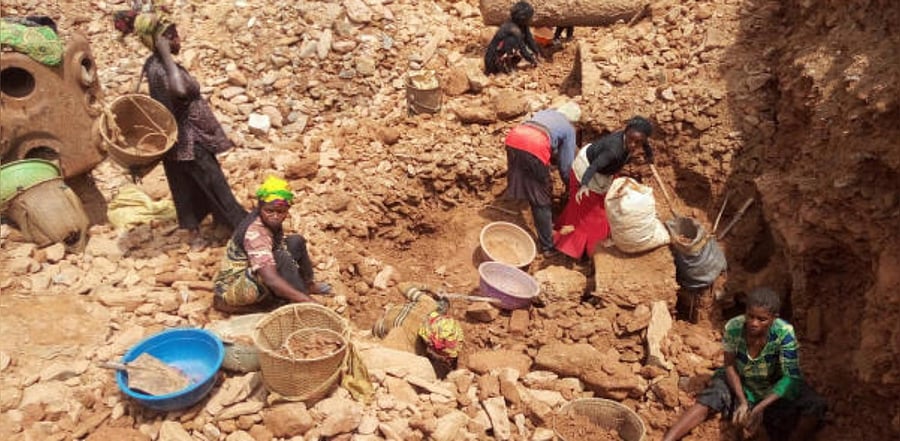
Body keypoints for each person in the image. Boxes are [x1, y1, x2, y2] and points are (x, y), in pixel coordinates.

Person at [114, 8, 247, 243]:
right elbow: (180, 90)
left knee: (191, 183)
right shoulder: (161, 67)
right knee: (214, 184)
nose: (178, 39)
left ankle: (210, 228)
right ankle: (244, 231)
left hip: (182, 139)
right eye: (172, 35)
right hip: (189, 139)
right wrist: (166, 55)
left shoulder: (154, 65)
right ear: (161, 42)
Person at [662, 287, 827, 441]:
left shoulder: (784, 333)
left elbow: (789, 378)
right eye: (750, 316)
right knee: (711, 397)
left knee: (814, 405)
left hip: (773, 387)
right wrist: (742, 401)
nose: (754, 323)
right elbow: (729, 365)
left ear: (773, 319)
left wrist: (759, 408)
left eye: (762, 319)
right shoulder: (734, 327)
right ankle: (668, 438)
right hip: (741, 381)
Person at [213, 177, 331, 313]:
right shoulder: (255, 233)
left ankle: (307, 285)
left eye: (280, 212)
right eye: (269, 211)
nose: (275, 216)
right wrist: (308, 301)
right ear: (260, 207)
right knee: (280, 258)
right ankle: (302, 305)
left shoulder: (269, 221)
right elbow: (271, 279)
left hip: (251, 271)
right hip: (234, 287)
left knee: (296, 242)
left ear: (287, 210)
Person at [553, 116, 654, 259]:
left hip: (603, 171)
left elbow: (644, 143)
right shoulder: (613, 151)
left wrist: (650, 156)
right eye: (632, 140)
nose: (633, 144)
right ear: (626, 132)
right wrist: (583, 186)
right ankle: (584, 249)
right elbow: (594, 167)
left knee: (598, 205)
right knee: (593, 214)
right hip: (587, 172)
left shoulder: (635, 138)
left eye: (638, 142)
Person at [503, 102, 580, 257]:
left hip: (513, 138)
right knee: (540, 200)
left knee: (525, 175)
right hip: (535, 146)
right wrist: (571, 187)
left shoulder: (547, 113)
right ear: (573, 121)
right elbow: (566, 167)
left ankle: (521, 197)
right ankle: (547, 247)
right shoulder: (569, 129)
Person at [373, 282, 464, 377]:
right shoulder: (414, 348)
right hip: (380, 327)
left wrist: (429, 287)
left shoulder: (429, 303)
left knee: (443, 303)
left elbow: (402, 285)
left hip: (396, 311)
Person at [484, 1, 541, 74]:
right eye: (530, 17)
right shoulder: (513, 29)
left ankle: (508, 64)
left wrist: (536, 52)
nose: (531, 19)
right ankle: (505, 68)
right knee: (512, 41)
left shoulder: (522, 25)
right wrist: (533, 61)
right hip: (492, 62)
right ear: (524, 18)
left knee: (516, 47)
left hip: (498, 56)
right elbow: (522, 49)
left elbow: (529, 39)